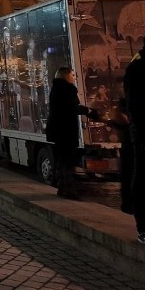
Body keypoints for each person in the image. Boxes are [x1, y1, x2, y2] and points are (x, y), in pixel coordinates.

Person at [46, 67, 99, 200]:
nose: (74, 77)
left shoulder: (56, 88)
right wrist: (89, 112)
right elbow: (72, 107)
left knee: (62, 159)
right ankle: (68, 189)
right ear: (66, 76)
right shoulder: (68, 89)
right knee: (68, 161)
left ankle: (62, 187)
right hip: (66, 130)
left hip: (57, 130)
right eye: (73, 75)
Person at [123, 29, 145, 246]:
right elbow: (135, 104)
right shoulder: (137, 68)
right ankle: (143, 229)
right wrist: (144, 134)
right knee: (142, 180)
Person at [107, 97, 133, 215]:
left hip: (128, 148)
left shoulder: (121, 117)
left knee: (128, 177)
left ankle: (128, 205)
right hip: (131, 149)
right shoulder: (124, 117)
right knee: (130, 177)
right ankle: (129, 205)